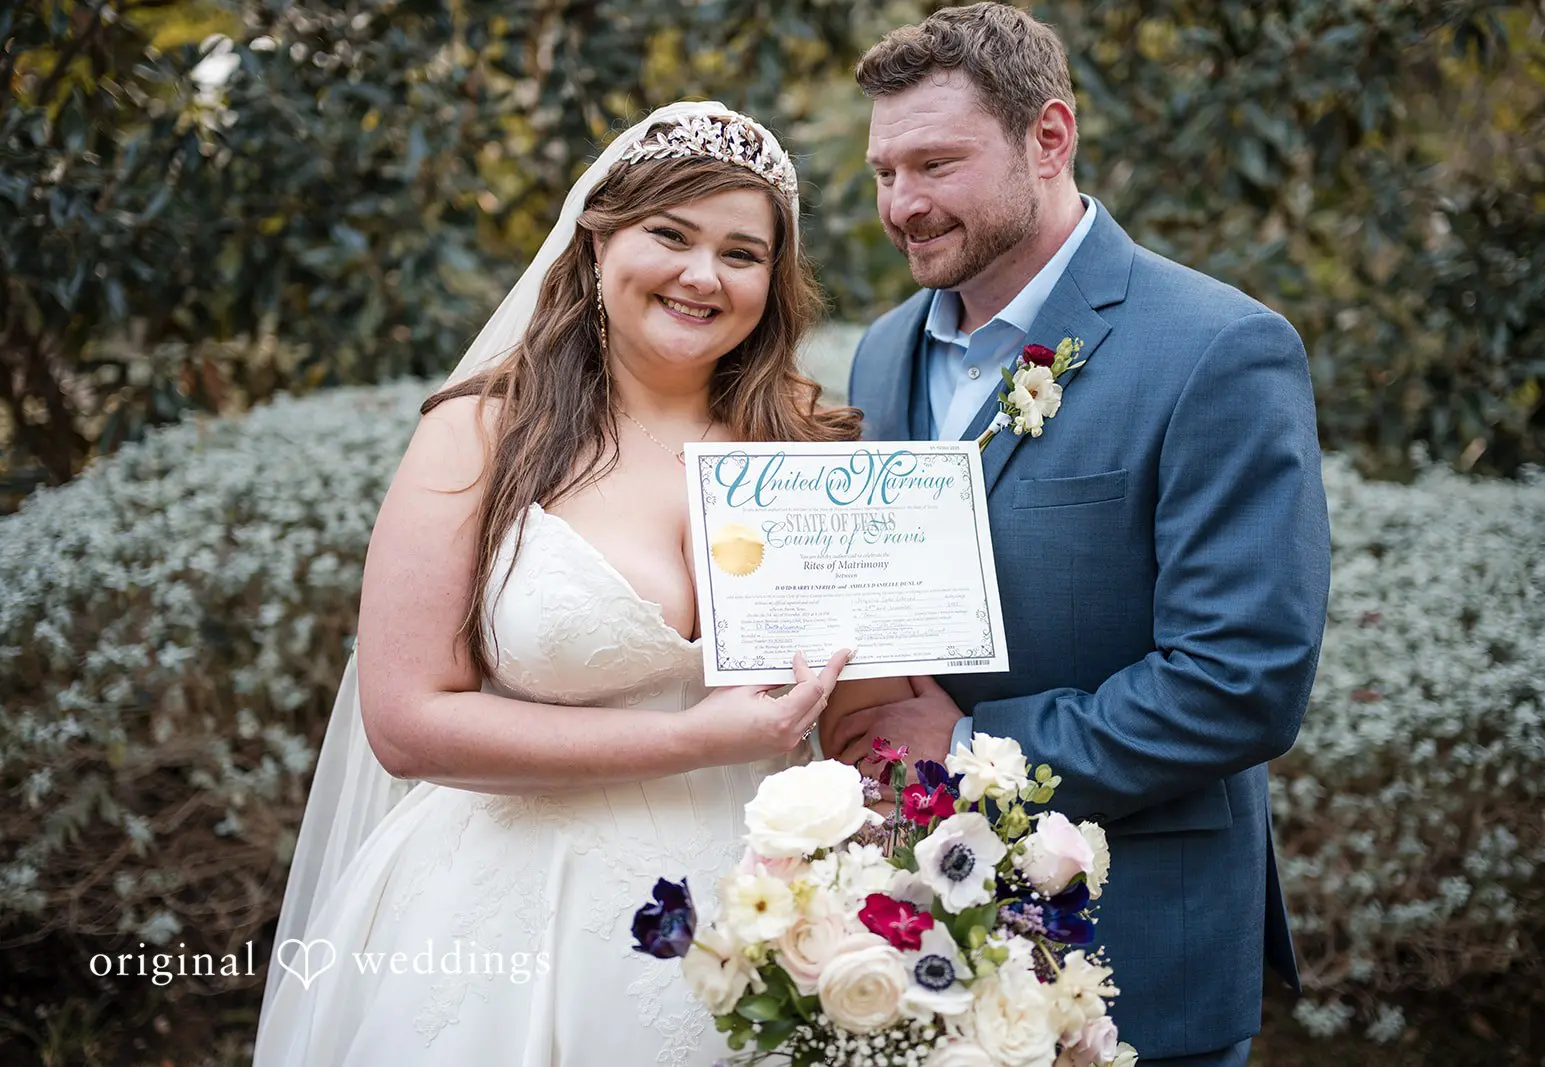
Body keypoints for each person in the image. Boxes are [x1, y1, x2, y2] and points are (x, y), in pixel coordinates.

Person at [253, 102, 862, 1065]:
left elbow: (875, 688)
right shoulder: (481, 435)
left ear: (772, 281)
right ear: (597, 238)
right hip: (519, 913)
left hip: (763, 912)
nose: (703, 275)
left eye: (742, 253)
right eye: (671, 234)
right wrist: (691, 739)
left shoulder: (808, 454)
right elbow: (405, 723)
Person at [821, 5, 1332, 1066]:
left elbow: (1239, 680)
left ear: (1048, 138)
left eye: (935, 164)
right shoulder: (882, 352)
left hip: (1132, 941)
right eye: (884, 172)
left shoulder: (1217, 349)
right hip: (906, 952)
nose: (902, 204)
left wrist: (969, 748)